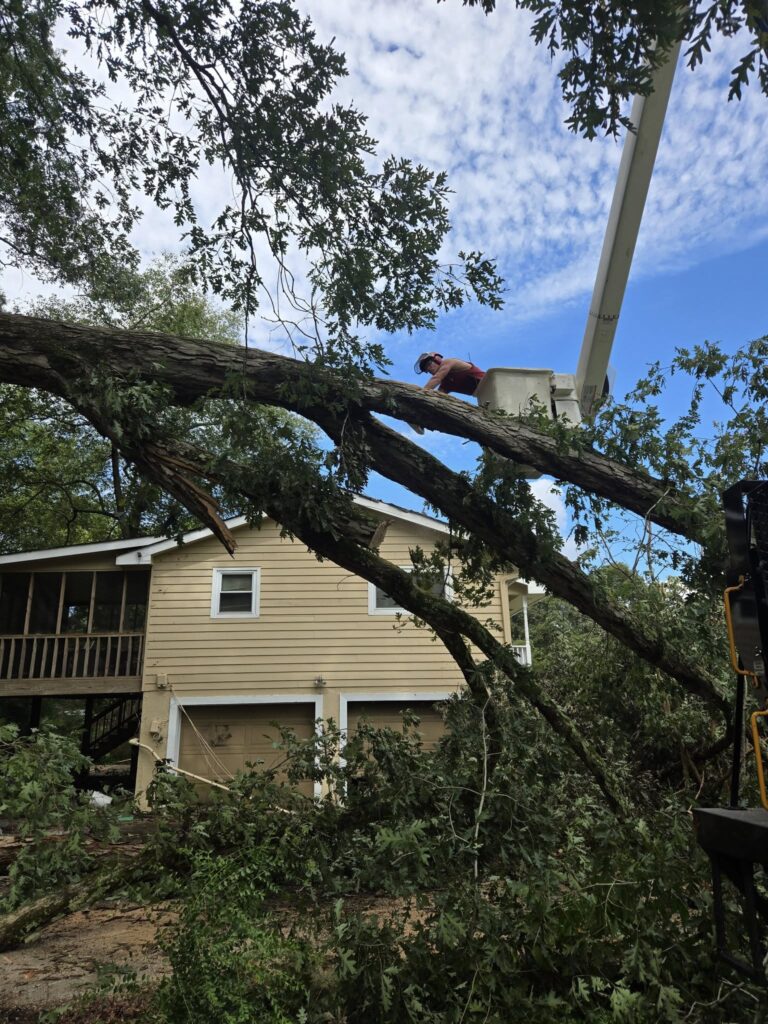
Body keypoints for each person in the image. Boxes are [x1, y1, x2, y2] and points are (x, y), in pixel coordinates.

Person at [414, 352, 485, 396]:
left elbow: (436, 378)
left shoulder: (449, 362)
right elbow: (437, 397)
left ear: (437, 359)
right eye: (426, 369)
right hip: (482, 395)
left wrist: (418, 395)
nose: (429, 369)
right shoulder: (445, 384)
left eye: (429, 364)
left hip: (491, 381)